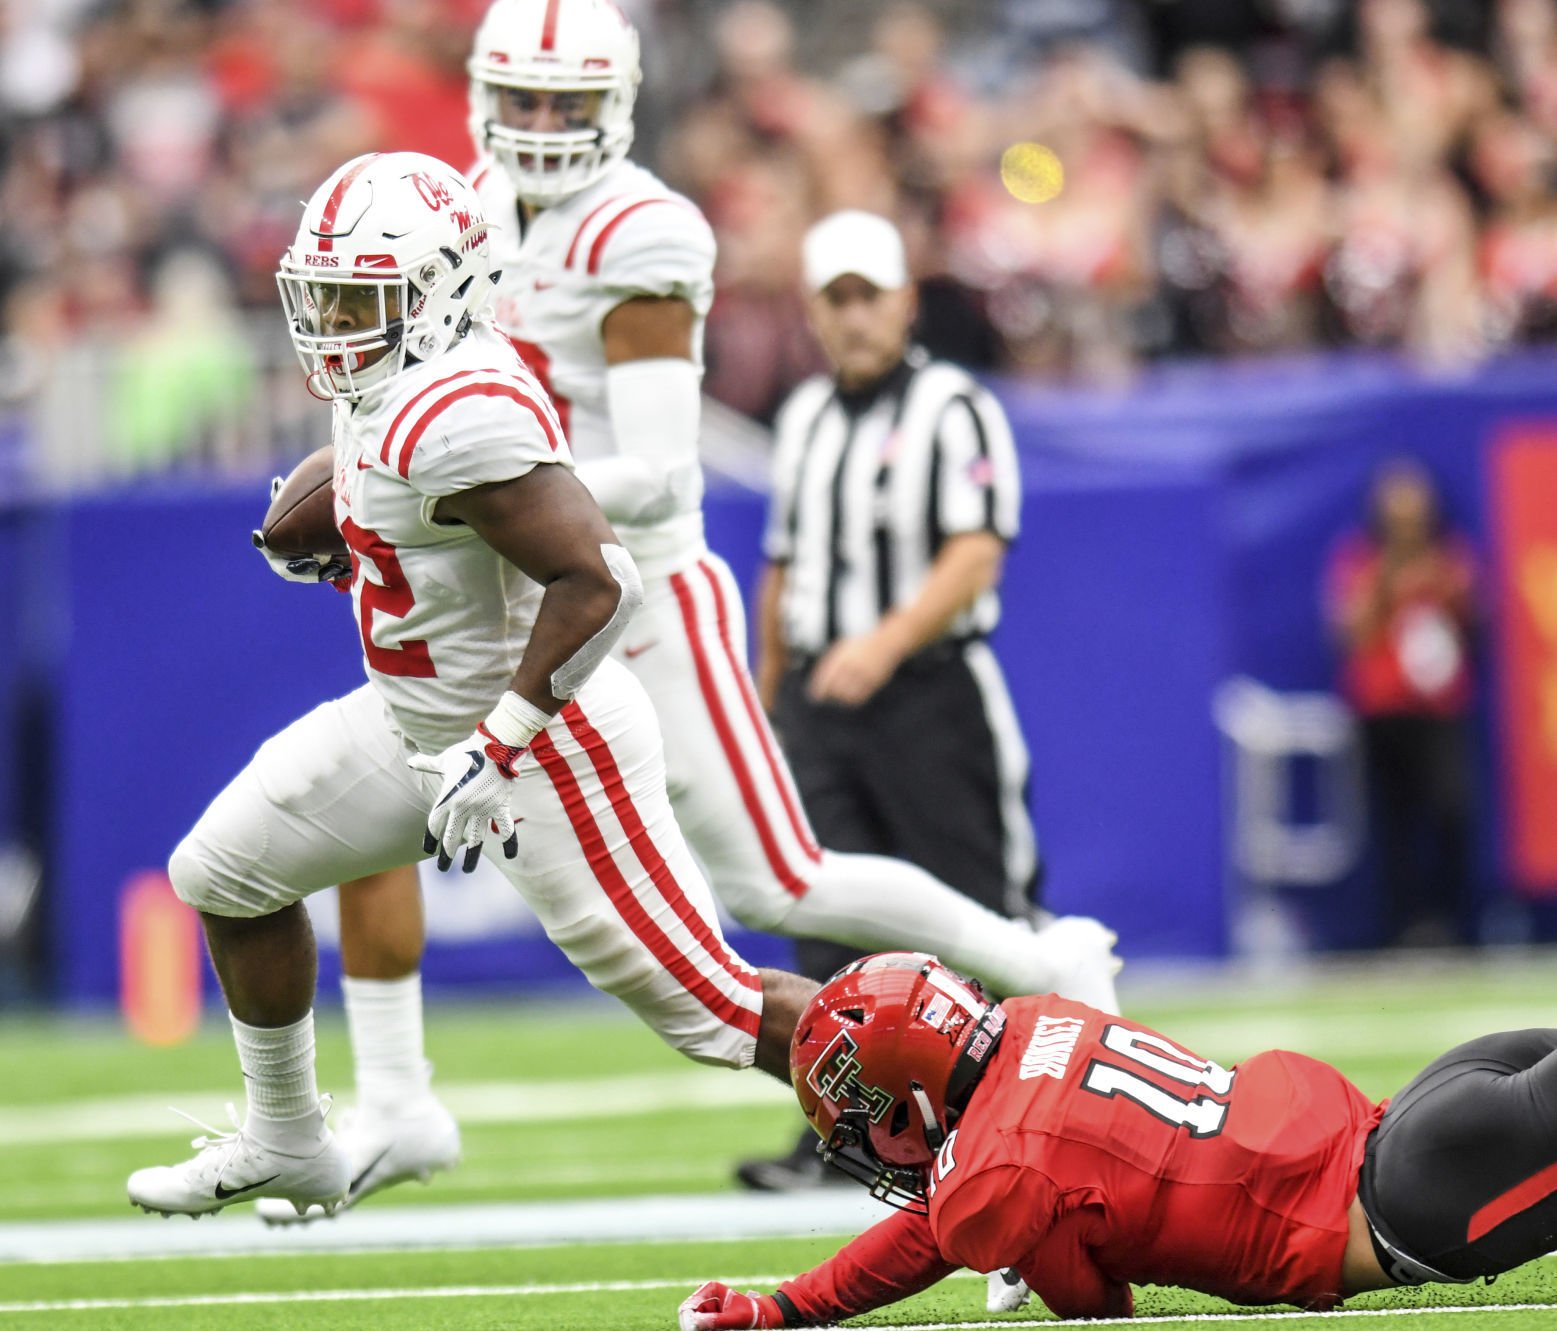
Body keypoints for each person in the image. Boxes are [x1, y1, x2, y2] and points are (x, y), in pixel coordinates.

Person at [254, 0, 1121, 1224]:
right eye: (523, 99)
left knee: (779, 882)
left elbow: (659, 473)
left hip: (632, 589)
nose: (541, 127)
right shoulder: (453, 212)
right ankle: (395, 1095)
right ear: (481, 96)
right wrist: (385, 498)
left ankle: (1043, 958)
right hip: (506, 584)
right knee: (400, 773)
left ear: (617, 103)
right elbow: (394, 404)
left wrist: (438, 503)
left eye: (567, 103)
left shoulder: (641, 229)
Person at [127, 149, 819, 1219]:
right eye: (324, 293)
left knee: (717, 1011)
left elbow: (600, 579)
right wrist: (352, 547)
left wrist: (500, 742)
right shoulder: (393, 375)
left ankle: (966, 1113)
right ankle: (288, 1135)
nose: (331, 320)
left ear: (442, 288)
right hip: (416, 728)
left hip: (543, 745)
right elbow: (435, 537)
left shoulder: (460, 405)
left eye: (361, 297)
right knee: (223, 871)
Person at [679, 951, 1557, 1327]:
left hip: (1414, 1198)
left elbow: (1098, 1312)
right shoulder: (1030, 1020)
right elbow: (948, 1214)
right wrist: (788, 1305)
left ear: (905, 1083)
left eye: (860, 1104)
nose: (864, 1130)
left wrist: (1019, 1243)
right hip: (1421, 1115)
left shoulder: (994, 1178)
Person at [739, 209, 1051, 1189]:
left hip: (926, 689)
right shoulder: (802, 418)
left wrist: (884, 640)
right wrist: (764, 694)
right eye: (836, 298)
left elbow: (977, 545)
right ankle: (851, 1133)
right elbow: (783, 566)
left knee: (977, 907)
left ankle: (1025, 1121)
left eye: (870, 294)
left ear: (906, 299)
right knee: (823, 918)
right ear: (813, 311)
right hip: (820, 703)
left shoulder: (955, 406)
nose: (856, 315)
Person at [1325, 458, 1478, 945]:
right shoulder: (1360, 560)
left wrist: (1440, 583)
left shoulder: (1449, 557)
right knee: (1393, 822)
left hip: (1437, 709)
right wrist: (1391, 581)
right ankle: (1404, 929)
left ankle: (1450, 922)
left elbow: (1475, 618)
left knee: (1451, 809)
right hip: (1380, 708)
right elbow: (1350, 630)